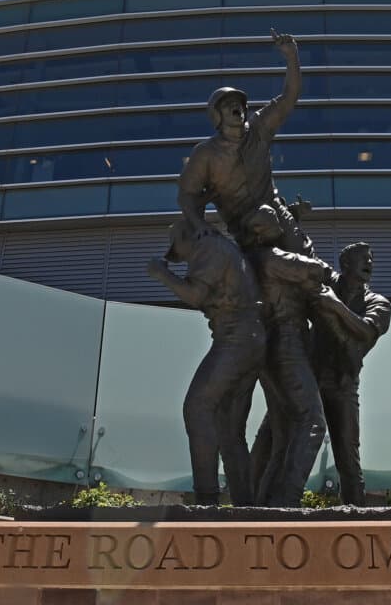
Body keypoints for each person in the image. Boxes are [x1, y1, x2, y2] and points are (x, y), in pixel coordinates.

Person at [146, 221, 266, 506]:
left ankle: (206, 503)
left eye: (179, 250)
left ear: (188, 238)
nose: (182, 257)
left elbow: (195, 295)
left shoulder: (209, 247)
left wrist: (162, 274)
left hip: (237, 338)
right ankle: (245, 506)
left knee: (197, 407)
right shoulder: (218, 249)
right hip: (250, 340)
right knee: (228, 430)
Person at [177, 30, 315, 257]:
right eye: (228, 104)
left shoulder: (259, 128)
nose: (236, 107)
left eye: (239, 103)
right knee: (267, 268)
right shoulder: (206, 154)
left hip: (276, 210)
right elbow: (186, 195)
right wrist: (200, 226)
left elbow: (290, 95)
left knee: (305, 256)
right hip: (244, 225)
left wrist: (292, 56)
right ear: (217, 116)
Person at [239, 205, 333, 507]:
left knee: (282, 436)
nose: (279, 226)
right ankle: (287, 498)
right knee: (313, 422)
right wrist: (296, 231)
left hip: (268, 348)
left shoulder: (250, 261)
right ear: (260, 232)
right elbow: (316, 268)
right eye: (273, 223)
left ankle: (261, 503)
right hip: (287, 344)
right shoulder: (272, 258)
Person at [310, 242, 391, 506]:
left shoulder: (378, 302)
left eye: (371, 258)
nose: (370, 263)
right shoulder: (330, 283)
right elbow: (305, 257)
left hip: (343, 384)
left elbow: (366, 332)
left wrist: (335, 307)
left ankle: (356, 515)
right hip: (308, 380)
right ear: (345, 265)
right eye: (363, 258)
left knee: (347, 453)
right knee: (288, 440)